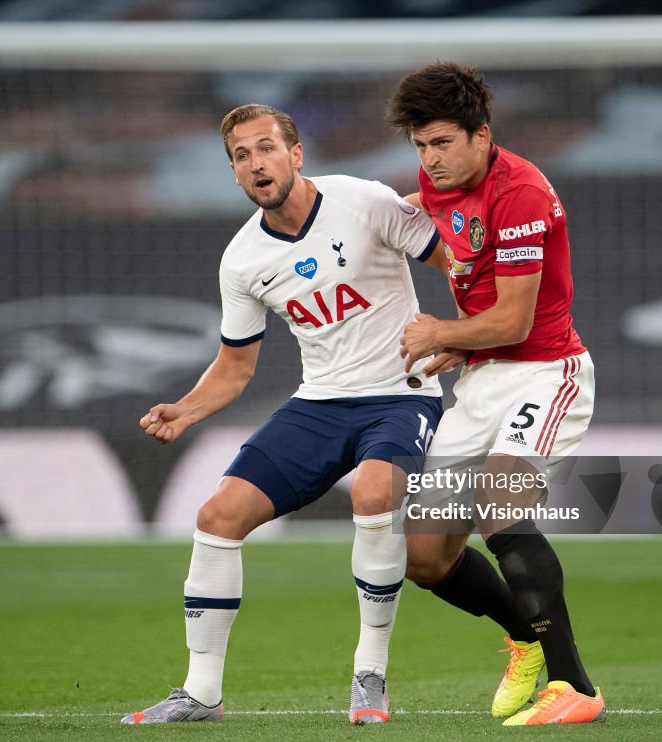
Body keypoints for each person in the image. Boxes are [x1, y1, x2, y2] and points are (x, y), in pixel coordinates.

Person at [122, 103, 445, 725]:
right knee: (217, 516)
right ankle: (201, 694)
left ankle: (370, 675)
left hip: (401, 395)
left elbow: (453, 261)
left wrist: (462, 334)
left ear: (296, 155)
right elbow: (236, 366)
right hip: (319, 403)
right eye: (241, 156)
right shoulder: (242, 260)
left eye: (266, 148)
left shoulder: (365, 201)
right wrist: (187, 410)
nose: (255, 163)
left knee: (375, 496)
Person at [385, 62, 606, 726]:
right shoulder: (436, 180)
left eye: (443, 143)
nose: (431, 160)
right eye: (421, 146)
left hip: (547, 371)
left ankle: (576, 689)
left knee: (497, 501)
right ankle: (525, 637)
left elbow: (513, 320)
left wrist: (442, 332)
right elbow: (449, 244)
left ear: (483, 135)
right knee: (423, 556)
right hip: (482, 379)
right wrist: (466, 345)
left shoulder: (521, 194)